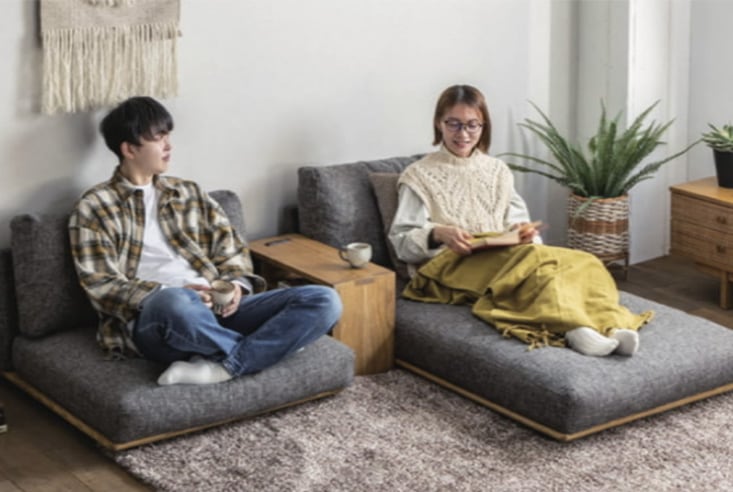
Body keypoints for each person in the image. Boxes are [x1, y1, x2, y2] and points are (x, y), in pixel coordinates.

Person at [69, 96, 342, 385]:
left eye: (168, 136)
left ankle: (223, 366)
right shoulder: (94, 208)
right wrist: (170, 291)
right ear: (129, 149)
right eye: (159, 138)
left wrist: (235, 286)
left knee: (324, 300)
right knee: (175, 300)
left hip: (217, 307)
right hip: (160, 318)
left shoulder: (188, 193)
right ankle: (269, 348)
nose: (169, 146)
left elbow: (230, 247)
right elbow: (101, 285)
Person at [388, 85, 651, 357]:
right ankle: (574, 329)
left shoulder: (497, 170)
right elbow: (402, 243)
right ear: (438, 123)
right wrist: (438, 233)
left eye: (472, 125)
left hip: (501, 255)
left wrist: (524, 234)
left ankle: (612, 326)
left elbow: (520, 225)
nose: (463, 134)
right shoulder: (418, 175)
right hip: (450, 263)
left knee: (585, 261)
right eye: (453, 124)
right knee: (540, 269)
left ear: (483, 126)